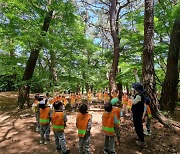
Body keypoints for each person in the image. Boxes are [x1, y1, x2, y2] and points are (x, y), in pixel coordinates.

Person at [131, 82, 146, 147]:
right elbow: (139, 82)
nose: (134, 89)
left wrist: (131, 96)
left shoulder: (139, 96)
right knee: (138, 126)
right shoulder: (140, 95)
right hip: (138, 113)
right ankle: (140, 138)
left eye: (135, 89)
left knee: (138, 126)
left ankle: (142, 141)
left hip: (137, 114)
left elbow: (133, 102)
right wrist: (136, 74)